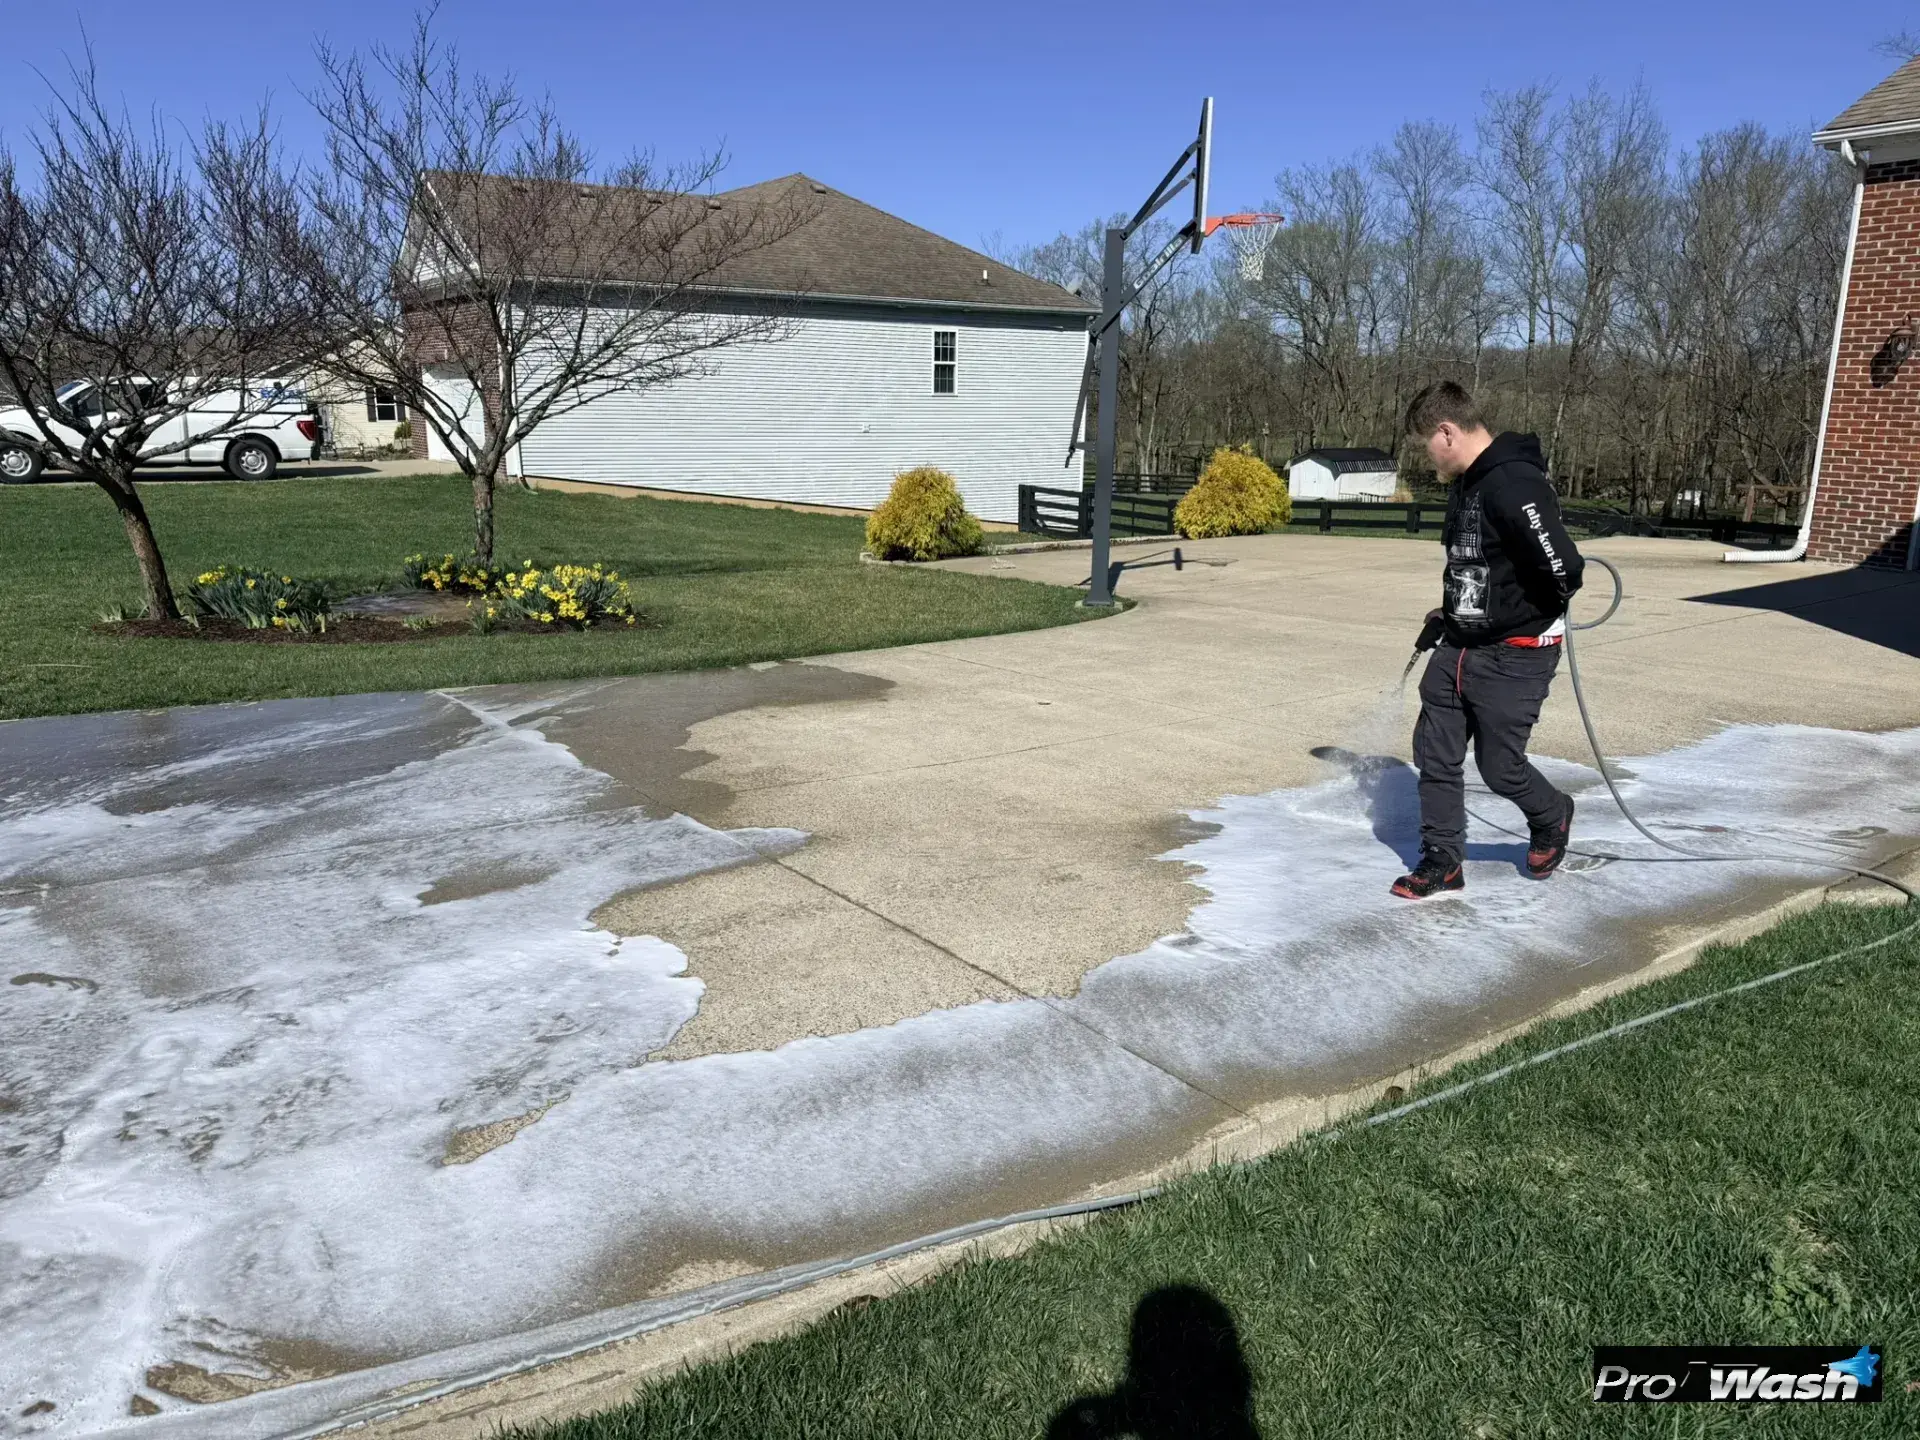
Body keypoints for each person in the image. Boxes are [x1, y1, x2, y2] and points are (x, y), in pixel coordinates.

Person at [1392, 381, 1585, 900]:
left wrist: (1514, 617)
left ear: (1446, 432)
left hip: (1515, 654)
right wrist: (1455, 609)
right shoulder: (1467, 483)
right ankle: (1442, 861)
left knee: (1500, 768)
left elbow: (1564, 569)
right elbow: (1479, 562)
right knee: (1435, 754)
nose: (1426, 459)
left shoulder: (1513, 483)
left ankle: (1551, 815)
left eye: (1424, 446)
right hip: (1458, 645)